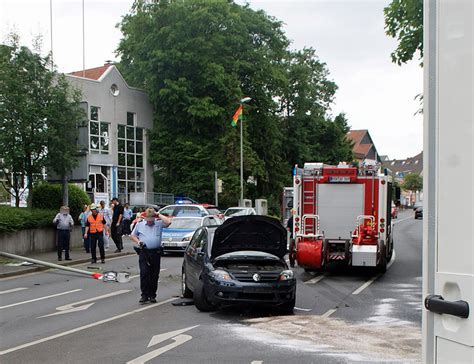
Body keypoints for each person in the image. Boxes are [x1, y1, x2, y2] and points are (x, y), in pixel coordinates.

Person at [131, 208, 171, 304]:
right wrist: (138, 241)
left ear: (154, 217)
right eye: (147, 219)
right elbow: (133, 235)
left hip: (155, 253)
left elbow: (168, 222)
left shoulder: (158, 223)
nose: (149, 221)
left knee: (154, 274)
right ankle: (144, 295)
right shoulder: (140, 224)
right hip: (144, 252)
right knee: (144, 273)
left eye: (151, 219)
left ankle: (152, 295)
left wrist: (158, 214)